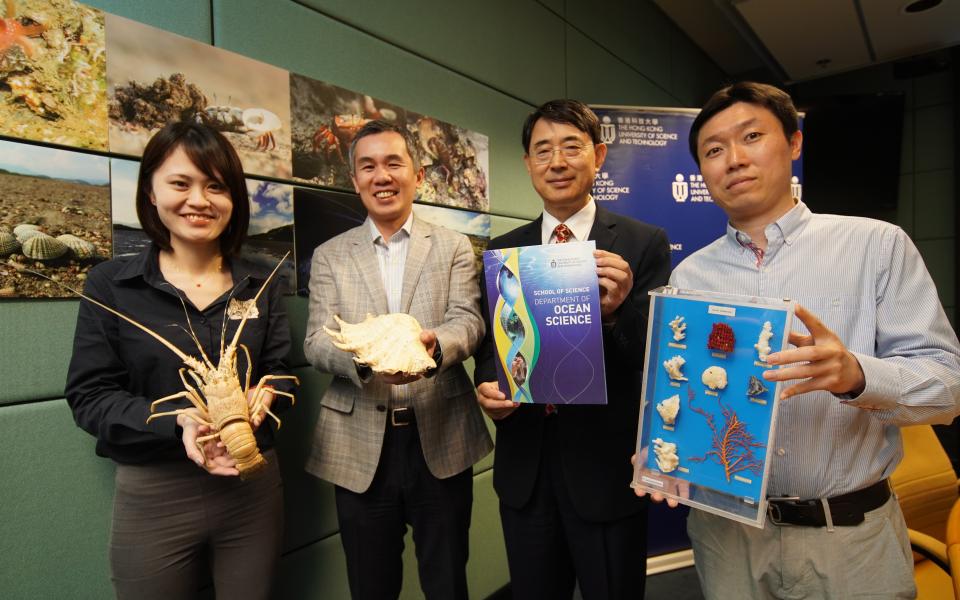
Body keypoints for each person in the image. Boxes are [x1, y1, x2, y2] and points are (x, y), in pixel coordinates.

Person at [643, 81, 960, 599]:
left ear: (793, 143)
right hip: (729, 538)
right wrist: (659, 450)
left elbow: (949, 388)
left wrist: (857, 375)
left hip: (850, 540)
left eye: (751, 137)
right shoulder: (690, 275)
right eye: (714, 150)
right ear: (702, 171)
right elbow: (685, 393)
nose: (734, 159)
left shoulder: (876, 246)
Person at [65, 121, 295, 599]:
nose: (200, 200)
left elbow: (283, 370)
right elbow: (89, 397)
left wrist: (269, 392)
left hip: (253, 483)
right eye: (180, 183)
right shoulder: (110, 284)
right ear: (150, 191)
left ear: (234, 198)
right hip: (155, 492)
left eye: (216, 186)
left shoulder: (261, 282)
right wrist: (178, 421)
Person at [474, 99, 671, 600]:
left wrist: (614, 311)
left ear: (598, 155)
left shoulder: (641, 243)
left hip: (605, 468)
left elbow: (655, 356)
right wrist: (487, 386)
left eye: (571, 147)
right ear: (528, 164)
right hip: (526, 471)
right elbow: (489, 345)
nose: (556, 162)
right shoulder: (505, 250)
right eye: (542, 150)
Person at [303, 120, 492, 600]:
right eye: (368, 166)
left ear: (418, 174)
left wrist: (435, 347)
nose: (381, 176)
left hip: (442, 434)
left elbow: (468, 320)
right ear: (354, 180)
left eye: (393, 163)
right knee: (371, 585)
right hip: (358, 443)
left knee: (448, 581)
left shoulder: (451, 245)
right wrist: (366, 360)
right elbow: (317, 342)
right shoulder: (329, 256)